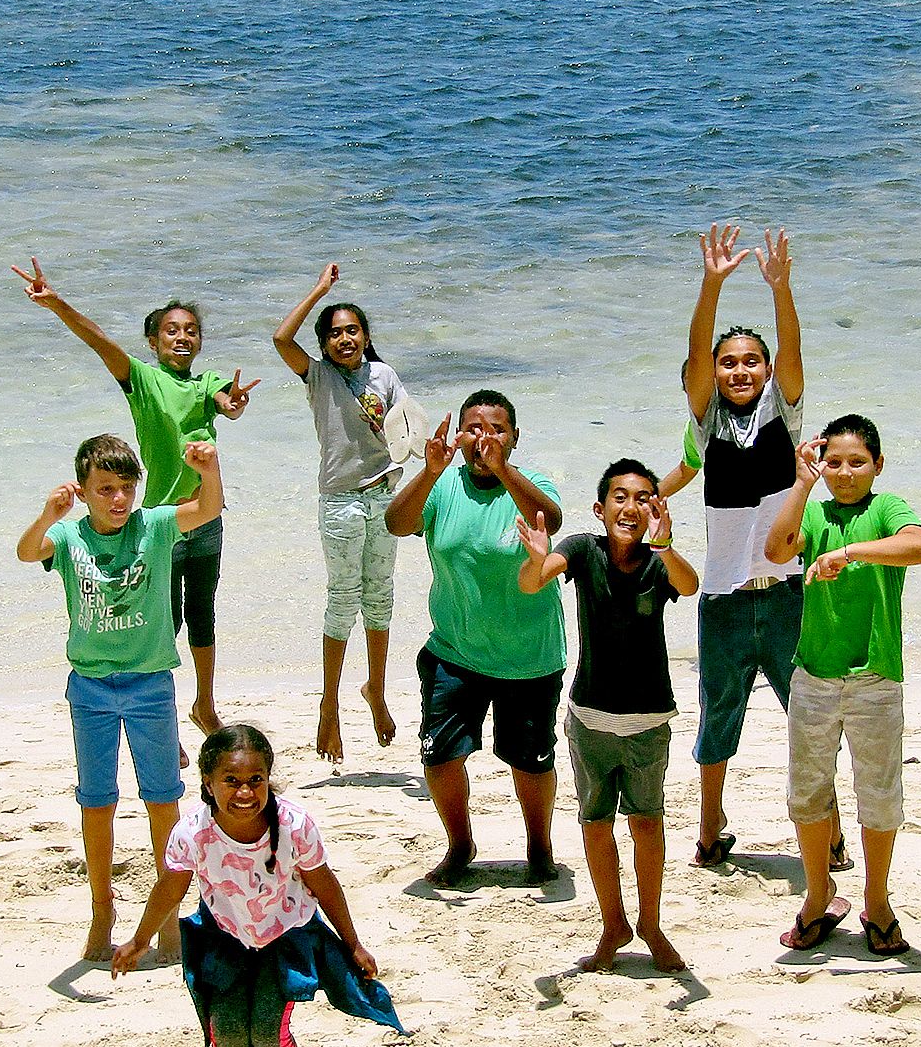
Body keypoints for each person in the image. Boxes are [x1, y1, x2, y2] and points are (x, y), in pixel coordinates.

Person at [113, 726, 400, 1047]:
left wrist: (352, 943)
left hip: (286, 935)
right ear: (208, 785)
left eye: (255, 781)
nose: (244, 792)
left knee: (267, 1031)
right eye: (231, 781)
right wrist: (139, 940)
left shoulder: (294, 825)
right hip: (224, 935)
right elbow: (170, 886)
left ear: (268, 780)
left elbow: (324, 883)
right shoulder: (192, 833)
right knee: (226, 1033)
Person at [14, 262, 257, 739]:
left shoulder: (205, 383)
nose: (182, 337)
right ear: (153, 341)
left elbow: (226, 401)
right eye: (171, 331)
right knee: (159, 623)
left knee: (202, 614)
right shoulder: (142, 381)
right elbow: (100, 341)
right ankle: (159, 717)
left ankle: (204, 705)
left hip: (204, 519)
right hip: (159, 527)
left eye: (190, 330)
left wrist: (234, 403)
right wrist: (56, 301)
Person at [16, 433, 225, 960]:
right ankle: (102, 908)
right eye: (105, 489)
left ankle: (169, 910)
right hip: (89, 688)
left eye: (126, 488)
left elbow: (208, 508)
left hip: (150, 683)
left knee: (162, 797)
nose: (118, 500)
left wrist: (207, 468)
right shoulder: (68, 538)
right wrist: (48, 514)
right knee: (97, 801)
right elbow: (25, 551)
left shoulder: (152, 526)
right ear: (83, 492)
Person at [760, 415, 921, 956]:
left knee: (879, 797)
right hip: (812, 674)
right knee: (807, 794)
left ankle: (877, 901)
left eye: (856, 462)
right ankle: (818, 895)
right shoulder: (813, 508)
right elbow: (776, 550)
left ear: (877, 465)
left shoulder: (886, 510)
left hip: (876, 677)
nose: (844, 471)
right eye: (833, 461)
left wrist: (850, 552)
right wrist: (801, 484)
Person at [518, 459, 698, 971]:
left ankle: (651, 924)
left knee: (647, 824)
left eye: (643, 498)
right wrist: (536, 558)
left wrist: (665, 545)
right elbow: (534, 583)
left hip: (647, 721)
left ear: (656, 509)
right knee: (595, 825)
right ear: (600, 510)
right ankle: (613, 924)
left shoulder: (660, 561)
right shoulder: (581, 549)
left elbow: (689, 586)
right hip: (589, 718)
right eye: (620, 497)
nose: (631, 507)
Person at [386, 392, 567, 887]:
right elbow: (396, 524)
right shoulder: (442, 482)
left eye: (497, 429)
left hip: (528, 655)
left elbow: (550, 522)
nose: (484, 438)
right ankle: (459, 844)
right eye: (473, 428)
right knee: (440, 757)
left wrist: (506, 471)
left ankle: (539, 846)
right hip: (454, 650)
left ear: (514, 437)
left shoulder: (532, 485)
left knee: (530, 762)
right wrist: (427, 471)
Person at [681, 225, 806, 867]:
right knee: (717, 719)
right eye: (729, 362)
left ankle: (826, 831)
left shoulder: (784, 411)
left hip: (787, 593)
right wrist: (712, 285)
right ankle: (708, 831)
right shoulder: (707, 421)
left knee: (807, 718)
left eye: (749, 361)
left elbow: (792, 354)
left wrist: (780, 289)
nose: (739, 370)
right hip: (724, 597)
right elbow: (696, 362)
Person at [273, 263, 413, 764]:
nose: (344, 339)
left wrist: (392, 433)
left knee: (381, 597)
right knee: (342, 598)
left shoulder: (385, 376)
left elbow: (406, 437)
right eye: (334, 334)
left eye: (352, 330)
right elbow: (280, 339)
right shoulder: (320, 377)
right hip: (339, 499)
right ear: (325, 344)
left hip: (385, 495)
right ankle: (329, 702)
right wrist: (319, 290)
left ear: (366, 335)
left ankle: (375, 687)